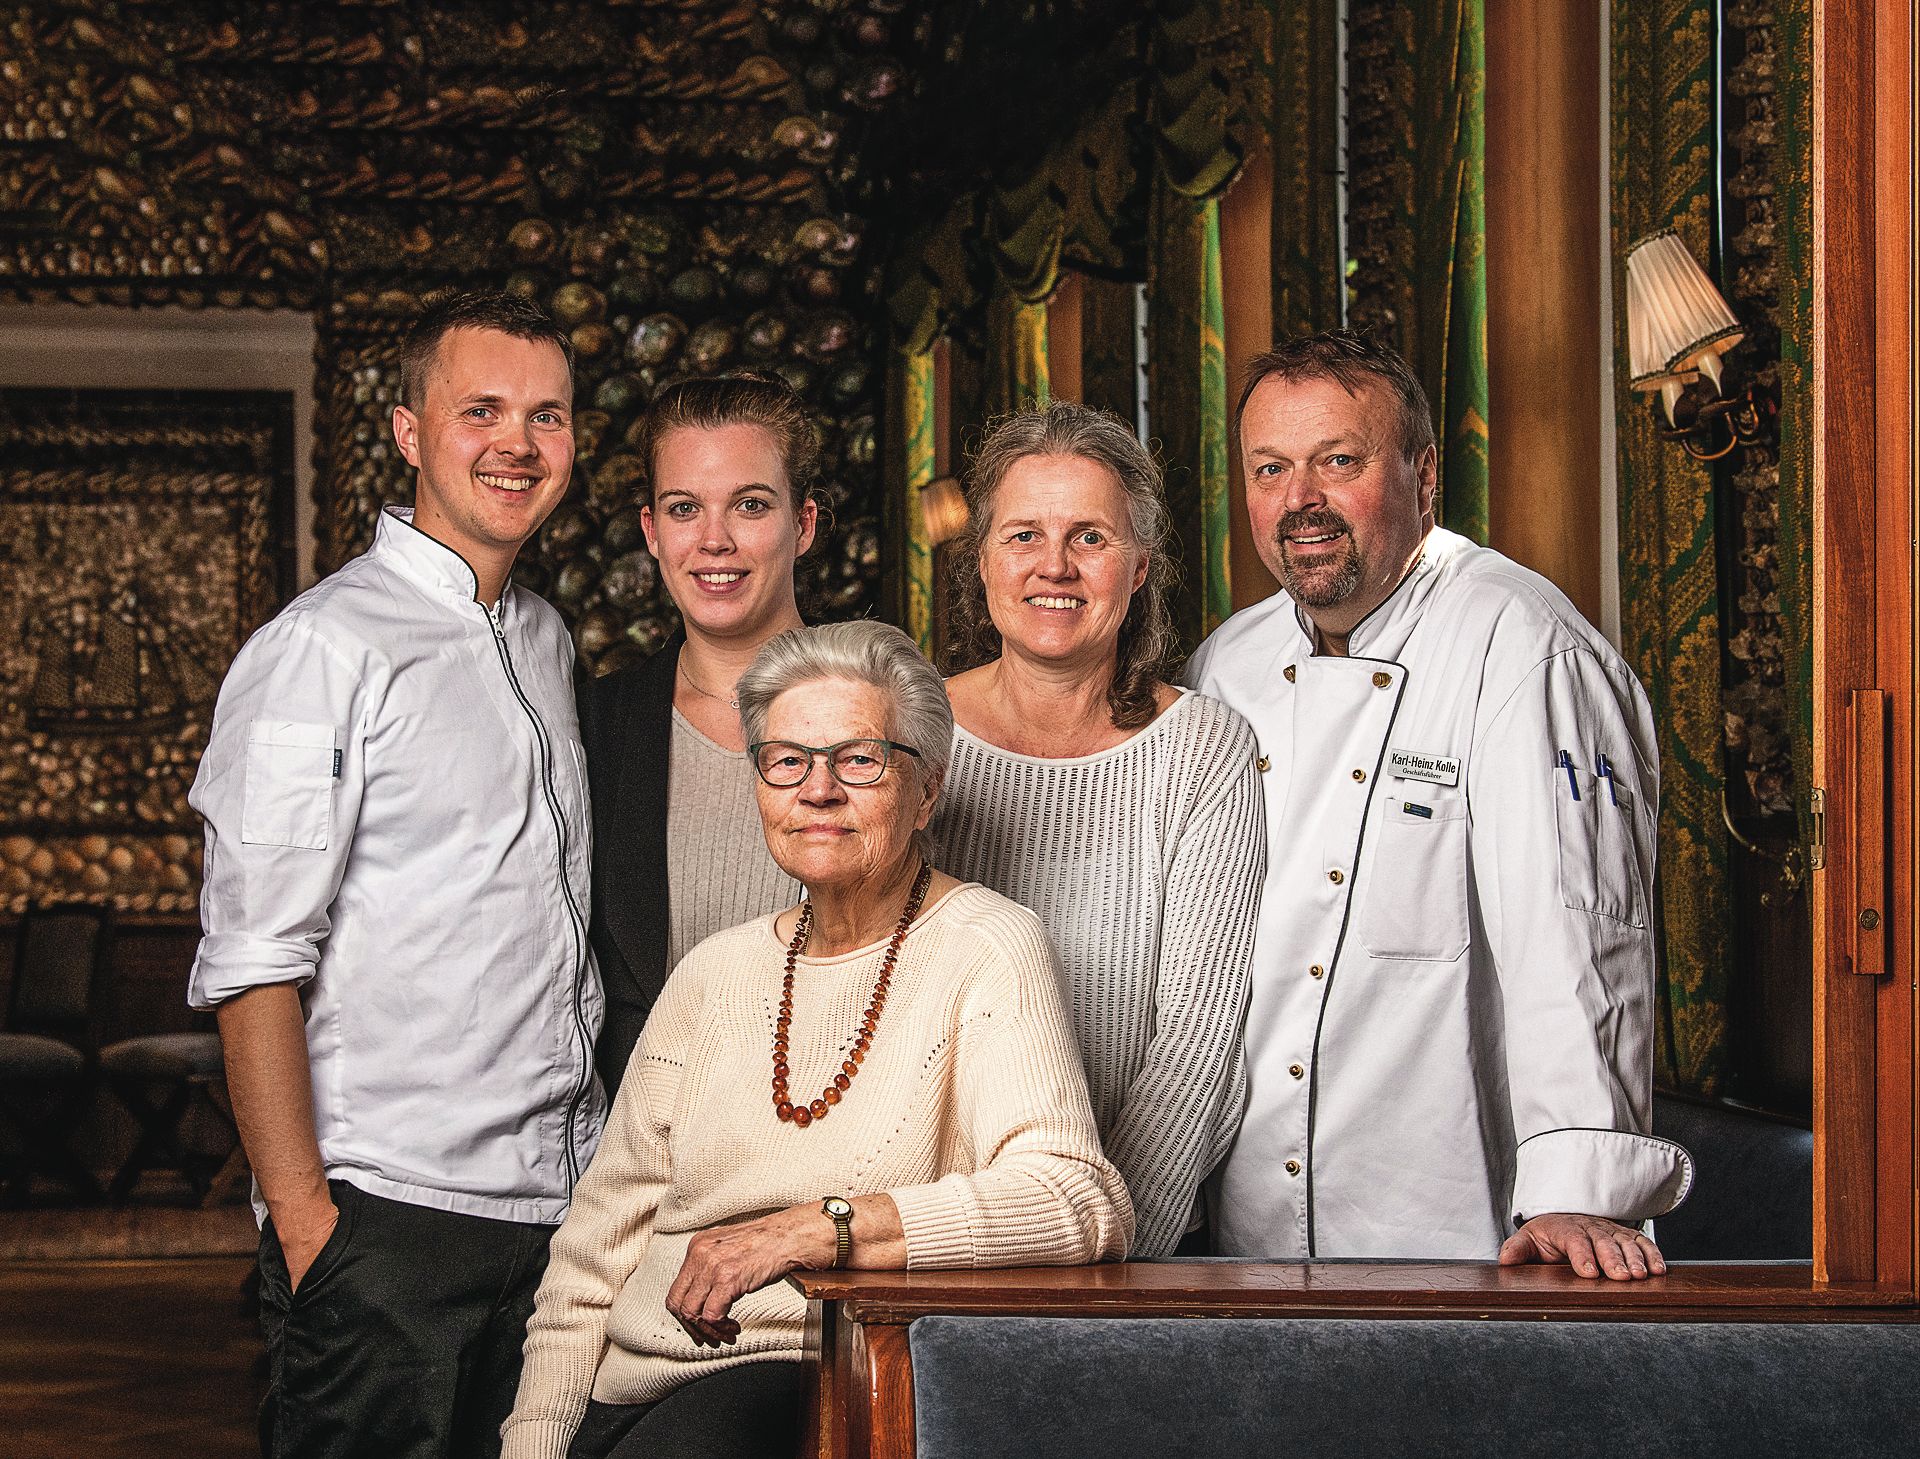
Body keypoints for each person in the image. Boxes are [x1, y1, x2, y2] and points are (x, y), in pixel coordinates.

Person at [503, 621, 1131, 1459]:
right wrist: (535, 1443)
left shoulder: (987, 947)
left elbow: (1075, 1200)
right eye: (788, 759)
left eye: (860, 758)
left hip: (796, 1378)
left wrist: (819, 1227)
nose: (819, 789)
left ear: (928, 788)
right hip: (626, 1386)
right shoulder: (711, 974)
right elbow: (590, 1264)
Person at [187, 291, 602, 1457]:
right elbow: (253, 960)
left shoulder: (545, 640)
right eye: (481, 410)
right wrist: (313, 1229)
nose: (517, 443)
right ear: (412, 431)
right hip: (389, 1223)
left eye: (548, 415)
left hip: (556, 1219)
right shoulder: (322, 649)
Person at [1185, 330, 1694, 1278]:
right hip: (1248, 1232)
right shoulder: (1228, 663)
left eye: (1339, 461)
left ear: (1425, 477)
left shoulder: (1525, 647)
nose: (1301, 500)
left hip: (1465, 1231)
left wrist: (1579, 1189)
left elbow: (1577, 927)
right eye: (1270, 468)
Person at [932, 402, 1265, 1256]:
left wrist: (1108, 1252)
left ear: (1140, 565)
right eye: (1023, 536)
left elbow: (1197, 1036)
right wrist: (947, 1236)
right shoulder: (910, 731)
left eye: (1090, 537)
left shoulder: (1206, 747)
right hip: (936, 1232)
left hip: (1130, 1246)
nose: (1055, 565)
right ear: (982, 560)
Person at [579, 374, 819, 1096]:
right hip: (642, 1165)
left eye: (750, 504)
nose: (715, 540)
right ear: (652, 531)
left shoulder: (890, 715)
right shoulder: (595, 729)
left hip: (841, 1155)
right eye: (685, 508)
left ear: (803, 525)